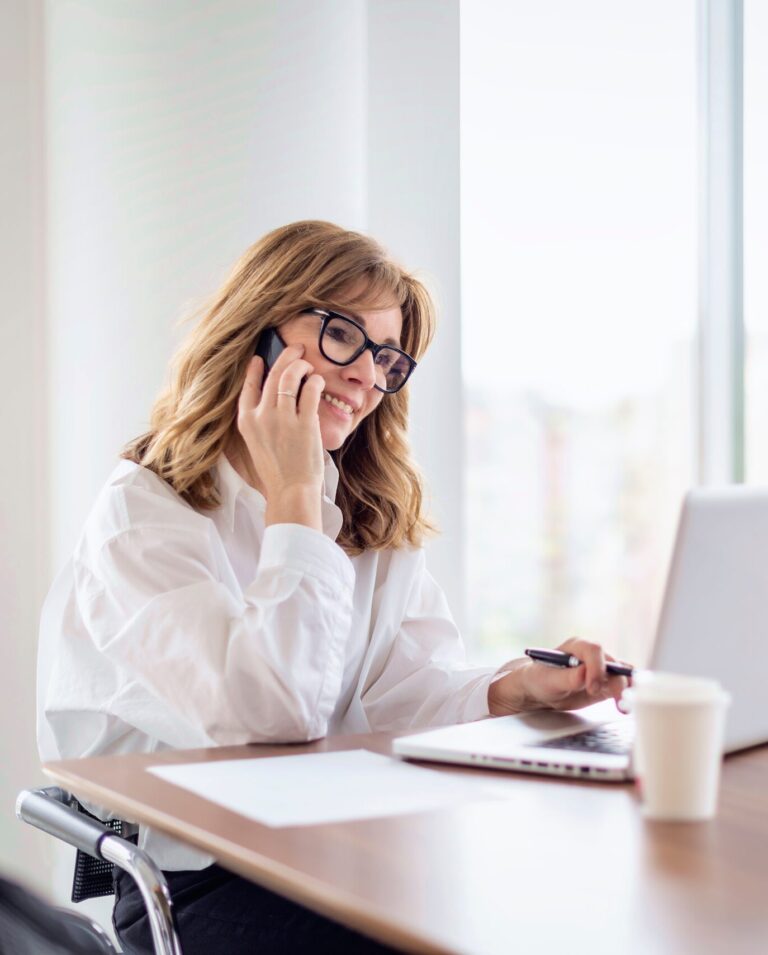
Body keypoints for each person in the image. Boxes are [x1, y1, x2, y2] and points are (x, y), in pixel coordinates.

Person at [37, 221, 628, 954]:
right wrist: (294, 498)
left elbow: (399, 691)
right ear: (260, 329)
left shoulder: (368, 509)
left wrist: (509, 690)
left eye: (386, 358)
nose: (366, 376)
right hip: (201, 875)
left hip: (343, 847)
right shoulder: (144, 514)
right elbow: (269, 717)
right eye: (344, 334)